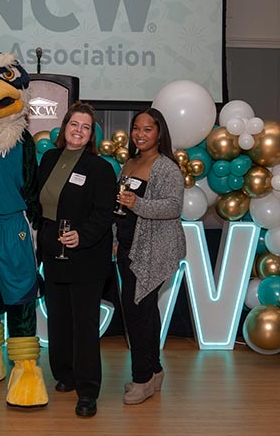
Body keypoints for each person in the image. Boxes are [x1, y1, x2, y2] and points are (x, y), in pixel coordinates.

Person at [37, 102, 116, 417]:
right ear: (64, 127)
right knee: (58, 320)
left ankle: (88, 391)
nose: (79, 131)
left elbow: (103, 213)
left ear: (91, 134)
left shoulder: (100, 168)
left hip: (86, 256)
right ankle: (65, 375)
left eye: (86, 127)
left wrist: (82, 235)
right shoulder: (49, 159)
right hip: (53, 254)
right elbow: (40, 203)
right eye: (74, 124)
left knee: (84, 326)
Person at [114, 108, 186, 405]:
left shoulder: (166, 167)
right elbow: (121, 207)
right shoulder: (130, 162)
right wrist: (117, 238)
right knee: (144, 312)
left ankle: (141, 379)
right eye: (136, 128)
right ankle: (154, 370)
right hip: (129, 247)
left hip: (154, 250)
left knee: (137, 313)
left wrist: (138, 203)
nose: (140, 134)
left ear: (159, 133)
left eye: (147, 129)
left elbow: (173, 206)